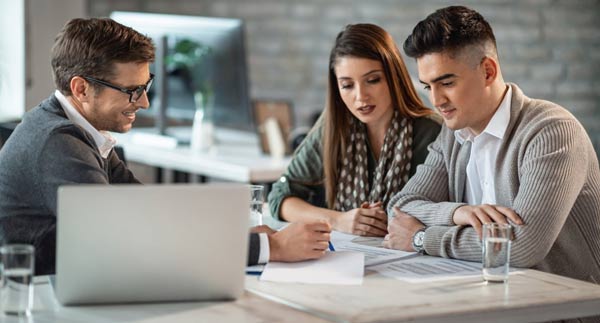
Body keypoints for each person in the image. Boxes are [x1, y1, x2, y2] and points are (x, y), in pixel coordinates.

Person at [0, 18, 329, 275]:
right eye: (131, 90)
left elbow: (149, 211)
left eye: (146, 87)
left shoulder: (81, 131)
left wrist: (235, 232)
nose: (143, 102)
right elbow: (129, 241)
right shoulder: (57, 143)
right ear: (81, 88)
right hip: (39, 302)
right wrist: (268, 249)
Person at [384, 5, 600, 286]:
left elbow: (521, 246)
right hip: (488, 299)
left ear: (487, 71)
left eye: (446, 82)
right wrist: (456, 212)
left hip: (563, 310)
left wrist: (421, 238)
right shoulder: (454, 135)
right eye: (428, 87)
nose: (436, 101)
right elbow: (400, 209)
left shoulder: (552, 131)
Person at [268, 23, 441, 237]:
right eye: (347, 85)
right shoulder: (335, 128)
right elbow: (280, 197)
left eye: (372, 80)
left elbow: (442, 213)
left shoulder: (433, 133)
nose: (361, 97)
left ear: (393, 77)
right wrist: (338, 220)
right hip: (345, 257)